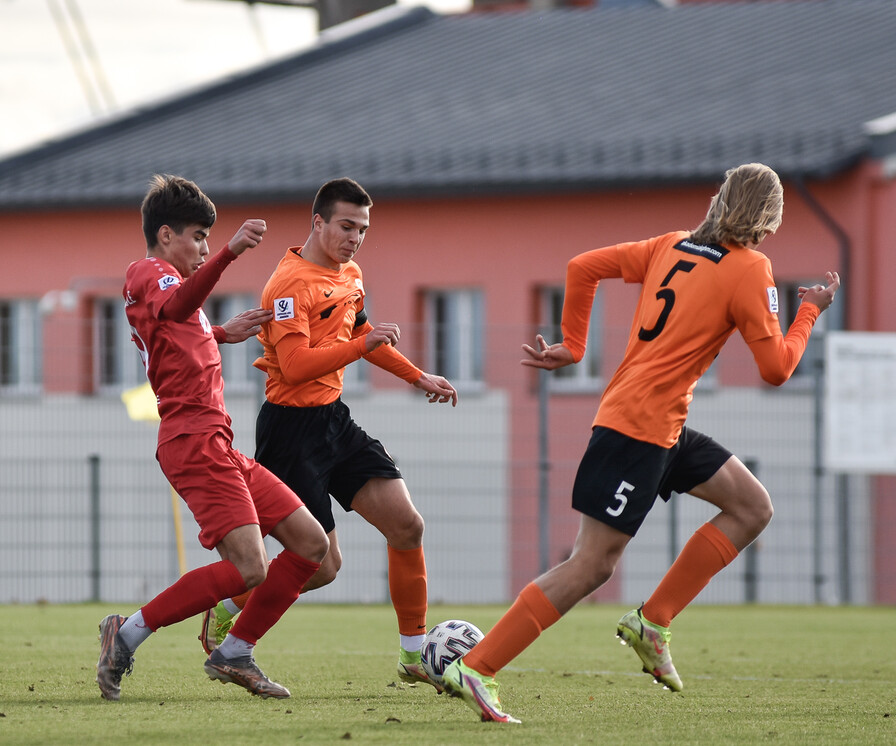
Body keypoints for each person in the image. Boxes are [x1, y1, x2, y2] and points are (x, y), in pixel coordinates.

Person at [441, 163, 841, 723]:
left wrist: (576, 345)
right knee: (591, 566)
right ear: (769, 217)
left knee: (751, 506)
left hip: (661, 426)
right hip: (638, 431)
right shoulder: (753, 270)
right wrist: (807, 313)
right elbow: (776, 368)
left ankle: (652, 622)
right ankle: (477, 666)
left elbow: (582, 267)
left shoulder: (671, 244)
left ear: (720, 200)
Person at [198, 177, 459, 690]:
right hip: (290, 430)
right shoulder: (290, 285)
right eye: (346, 225)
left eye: (362, 228)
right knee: (321, 566)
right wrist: (363, 349)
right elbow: (294, 367)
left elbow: (361, 334)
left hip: (333, 420)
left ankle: (413, 655)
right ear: (317, 222)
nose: (355, 237)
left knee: (407, 526)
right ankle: (228, 608)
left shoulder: (350, 274)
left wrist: (418, 376)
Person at [96, 174, 328, 702]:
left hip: (218, 442)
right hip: (192, 441)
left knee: (312, 544)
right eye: (197, 236)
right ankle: (126, 633)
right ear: (164, 235)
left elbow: (177, 330)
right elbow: (174, 314)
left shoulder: (172, 286)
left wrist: (224, 330)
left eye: (208, 238)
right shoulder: (148, 271)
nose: (203, 248)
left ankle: (233, 651)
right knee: (249, 568)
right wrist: (230, 254)